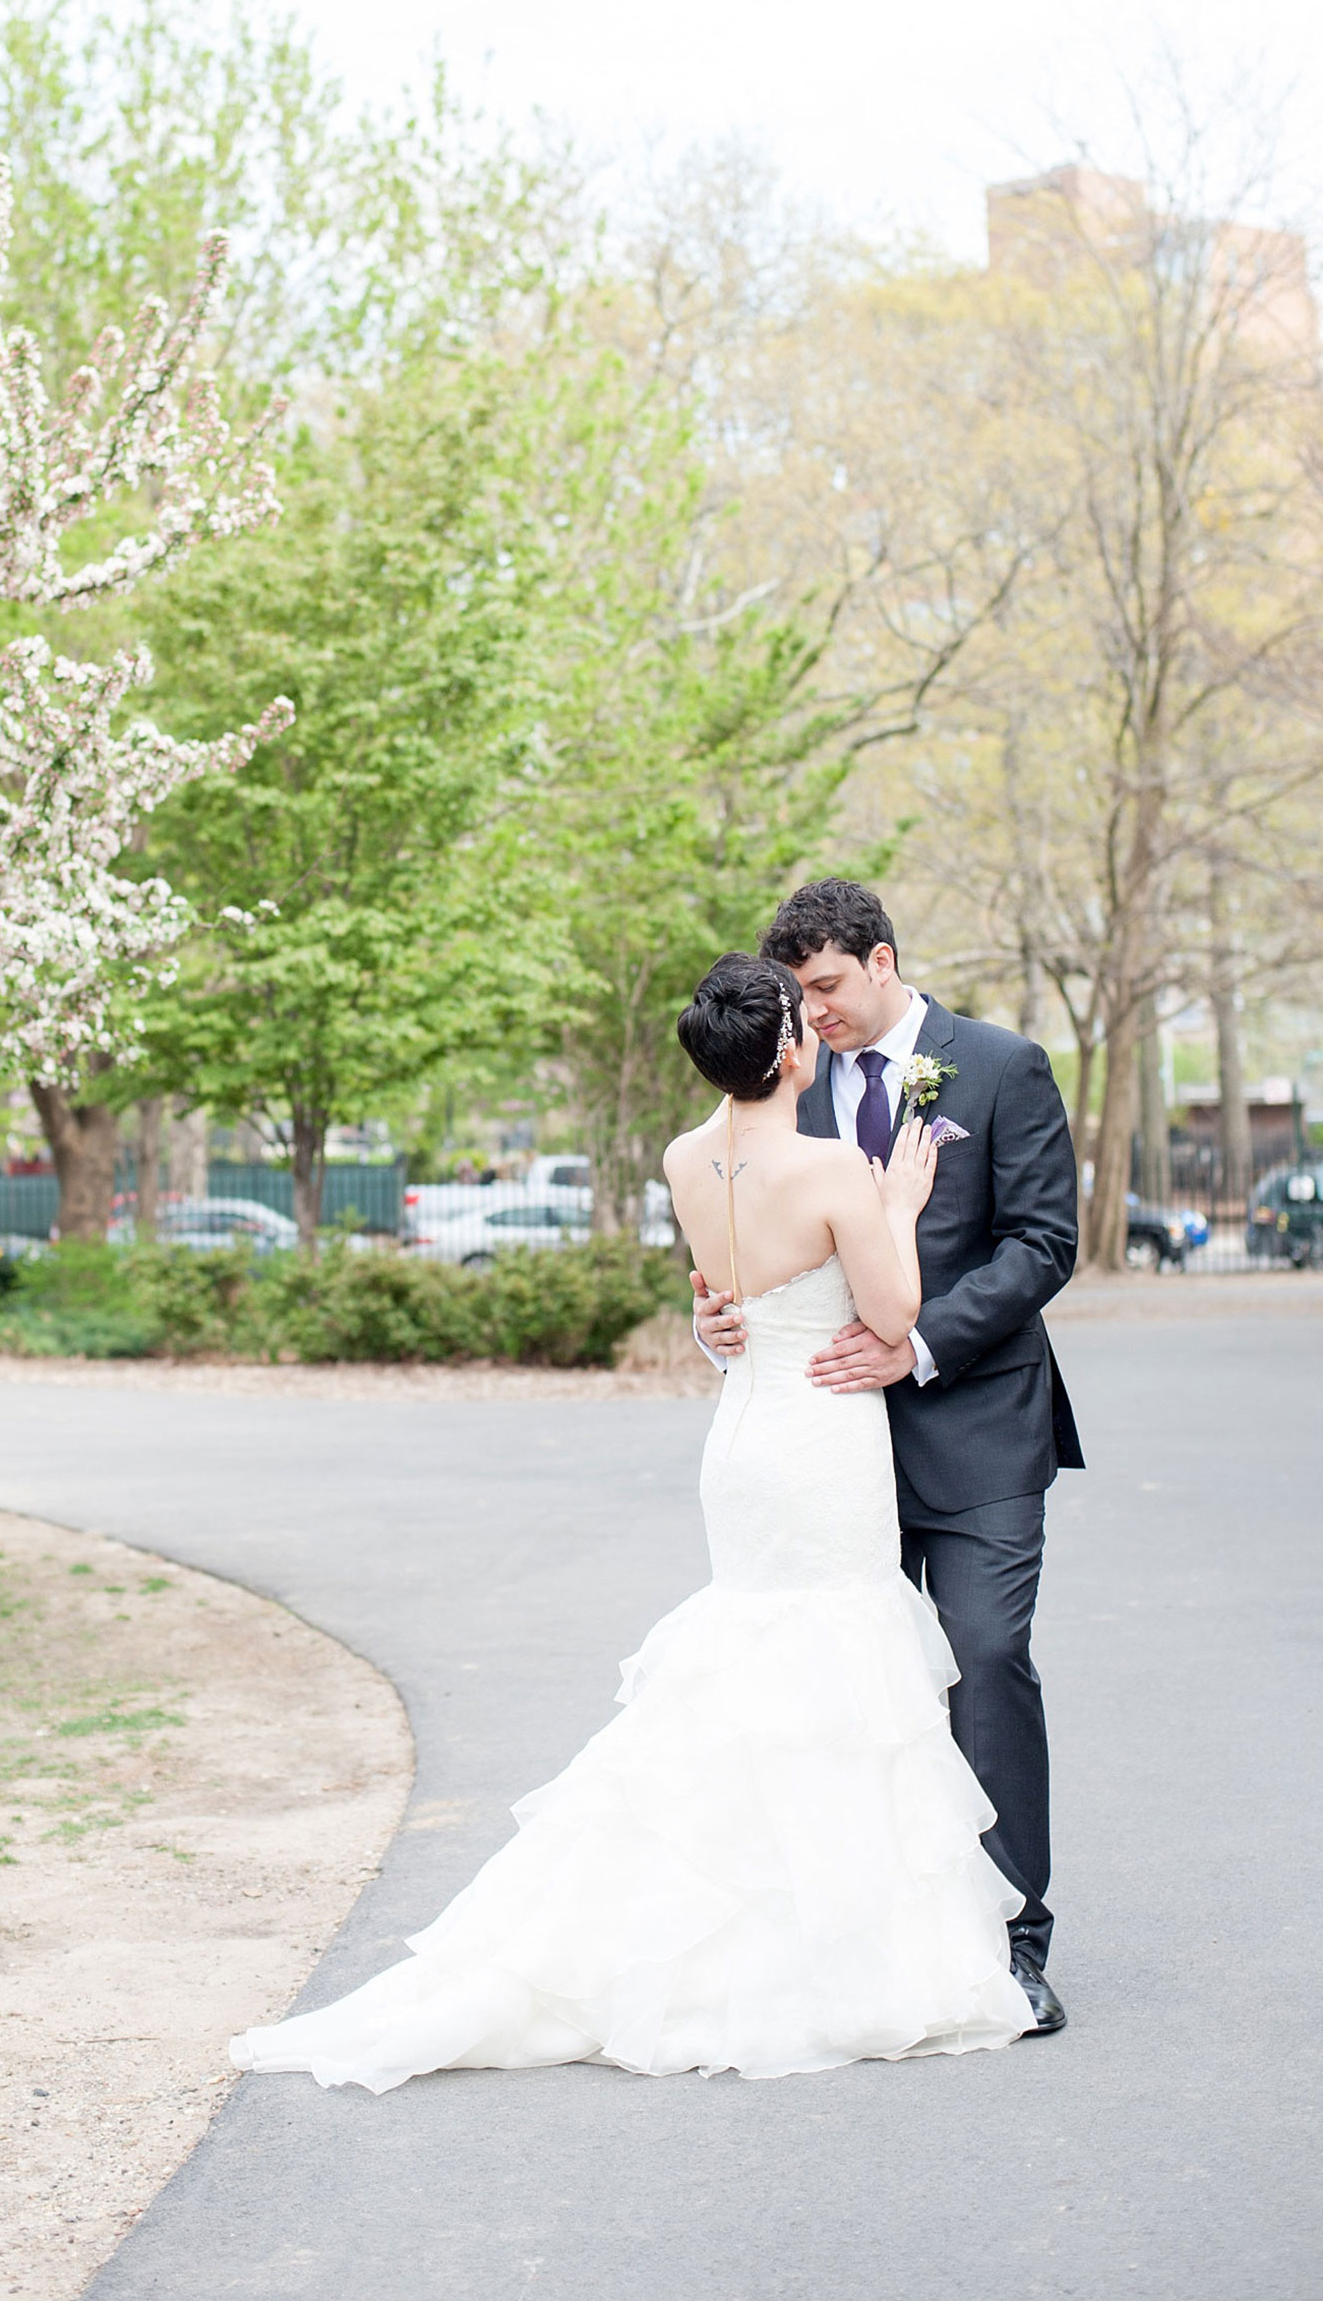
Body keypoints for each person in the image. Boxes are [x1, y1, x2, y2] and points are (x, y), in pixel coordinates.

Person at [230, 952, 1032, 2093]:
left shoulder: (679, 1157)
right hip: (821, 1437)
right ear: (791, 1053)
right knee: (832, 1666)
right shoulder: (836, 1169)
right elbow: (891, 1311)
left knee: (752, 1659)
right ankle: (819, 1945)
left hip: (741, 1437)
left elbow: (729, 1296)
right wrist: (896, 1205)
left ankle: (722, 1915)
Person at [692, 880, 1079, 2036]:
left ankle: (1013, 1934)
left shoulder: (1001, 1065)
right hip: (828, 1451)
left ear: (881, 960)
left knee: (984, 1657)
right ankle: (863, 1933)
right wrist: (718, 1325)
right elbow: (747, 1253)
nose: (813, 1017)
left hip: (976, 1430)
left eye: (824, 988)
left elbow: (1041, 1242)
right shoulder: (782, 1092)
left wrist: (913, 1343)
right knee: (845, 1683)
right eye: (796, 998)